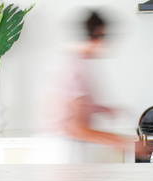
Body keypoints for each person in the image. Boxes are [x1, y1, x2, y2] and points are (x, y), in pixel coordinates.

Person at [38, 9, 135, 164]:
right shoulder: (75, 68)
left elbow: (70, 105)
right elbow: (76, 127)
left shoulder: (71, 61)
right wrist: (125, 144)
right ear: (98, 33)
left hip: (66, 149)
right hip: (65, 153)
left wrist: (100, 109)